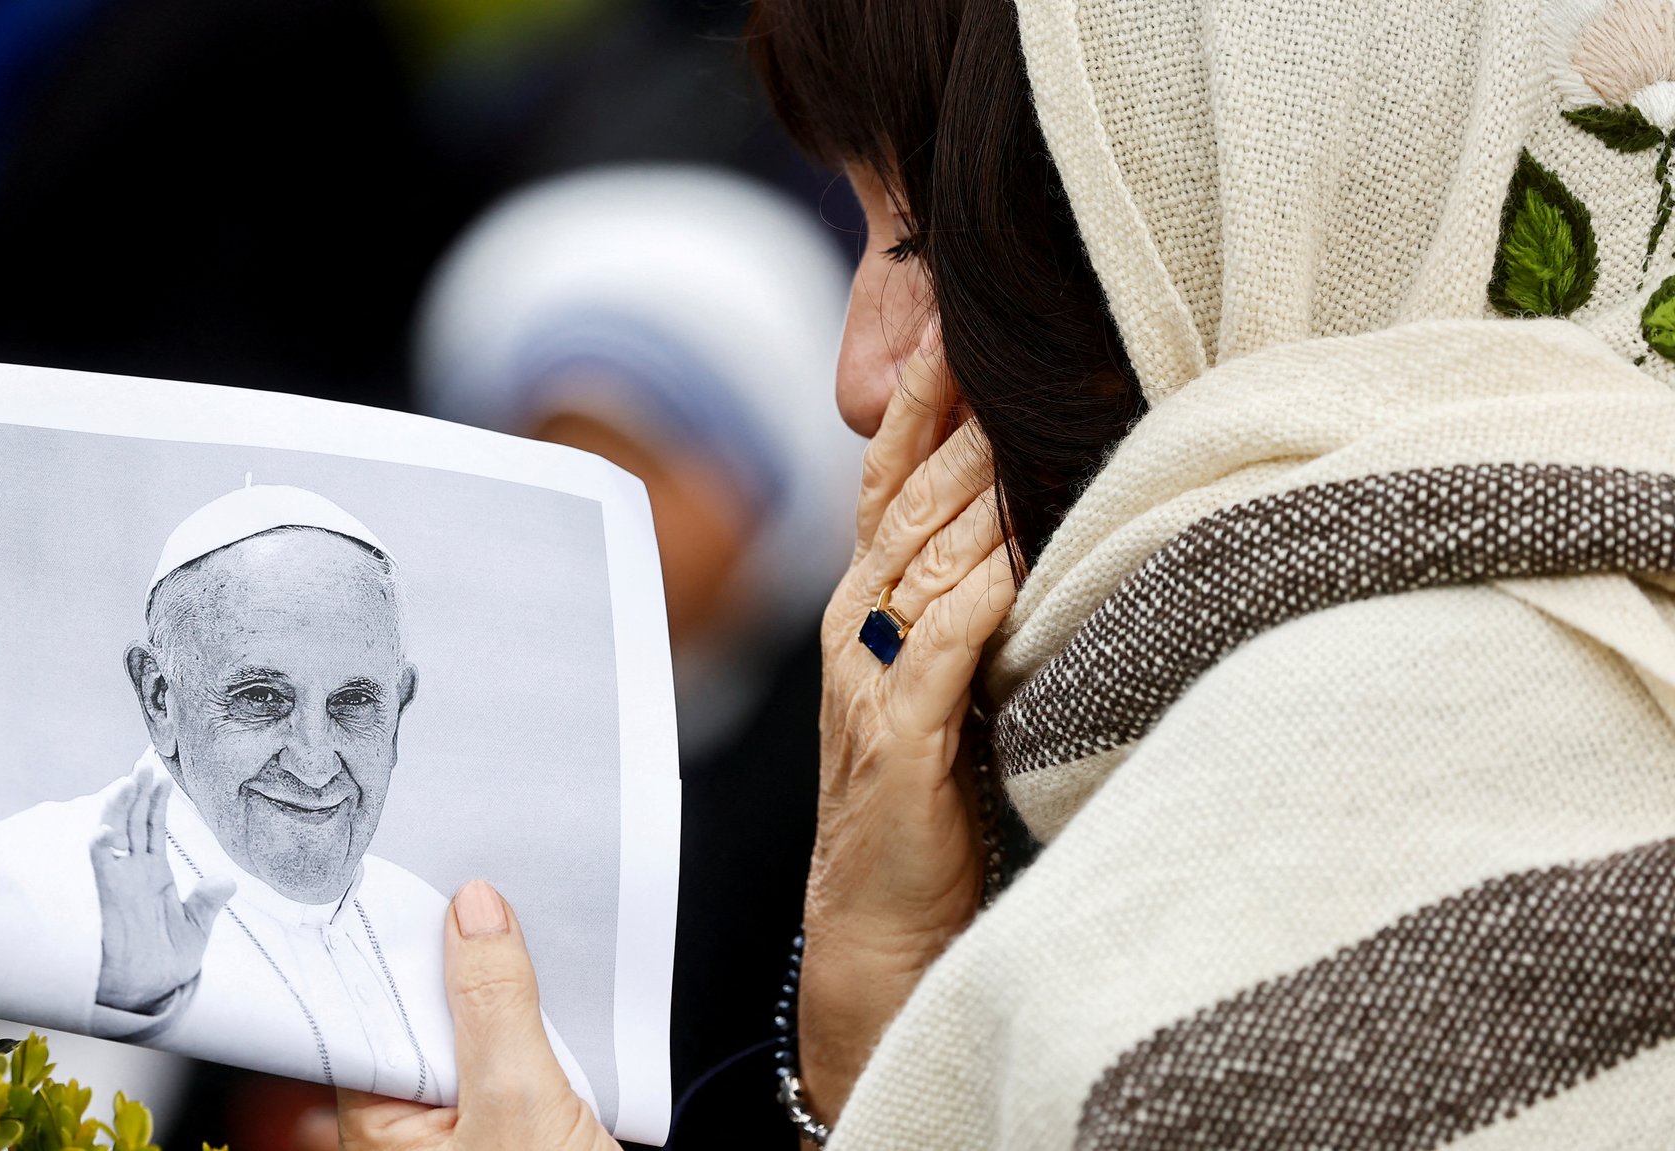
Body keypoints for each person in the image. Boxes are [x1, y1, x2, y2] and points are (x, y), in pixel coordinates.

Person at [338, 0, 1675, 1146]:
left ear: (1241, 193)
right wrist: (867, 1035)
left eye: (917, 240)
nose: (863, 377)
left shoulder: (1319, 863)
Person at [415, 164, 861, 1144]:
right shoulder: (434, 738)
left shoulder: (849, 765)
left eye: (641, 466)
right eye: (548, 462)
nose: (595, 520)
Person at [0, 482, 592, 1108]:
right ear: (160, 697)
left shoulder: (434, 931)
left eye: (354, 704)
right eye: (262, 700)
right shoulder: (26, 876)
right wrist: (128, 1010)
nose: (312, 762)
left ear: (399, 710)